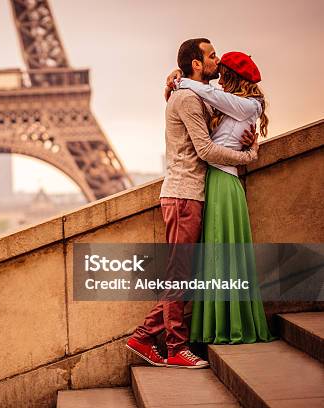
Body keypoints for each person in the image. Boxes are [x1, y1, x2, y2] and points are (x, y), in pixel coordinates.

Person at [125, 38, 260, 369]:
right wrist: (248, 155)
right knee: (181, 274)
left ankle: (145, 337)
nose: (217, 61)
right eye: (211, 56)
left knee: (185, 272)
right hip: (184, 194)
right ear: (197, 64)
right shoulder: (186, 98)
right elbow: (207, 150)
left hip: (187, 193)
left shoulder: (190, 93)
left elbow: (221, 119)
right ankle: (172, 346)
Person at [168, 52, 275, 345]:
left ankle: (226, 325)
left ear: (231, 76)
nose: (218, 72)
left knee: (221, 253)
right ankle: (223, 323)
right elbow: (207, 93)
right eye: (212, 58)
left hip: (223, 181)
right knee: (218, 255)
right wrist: (178, 75)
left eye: (222, 68)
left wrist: (180, 79)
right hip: (216, 181)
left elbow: (205, 91)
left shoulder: (246, 105)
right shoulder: (235, 104)